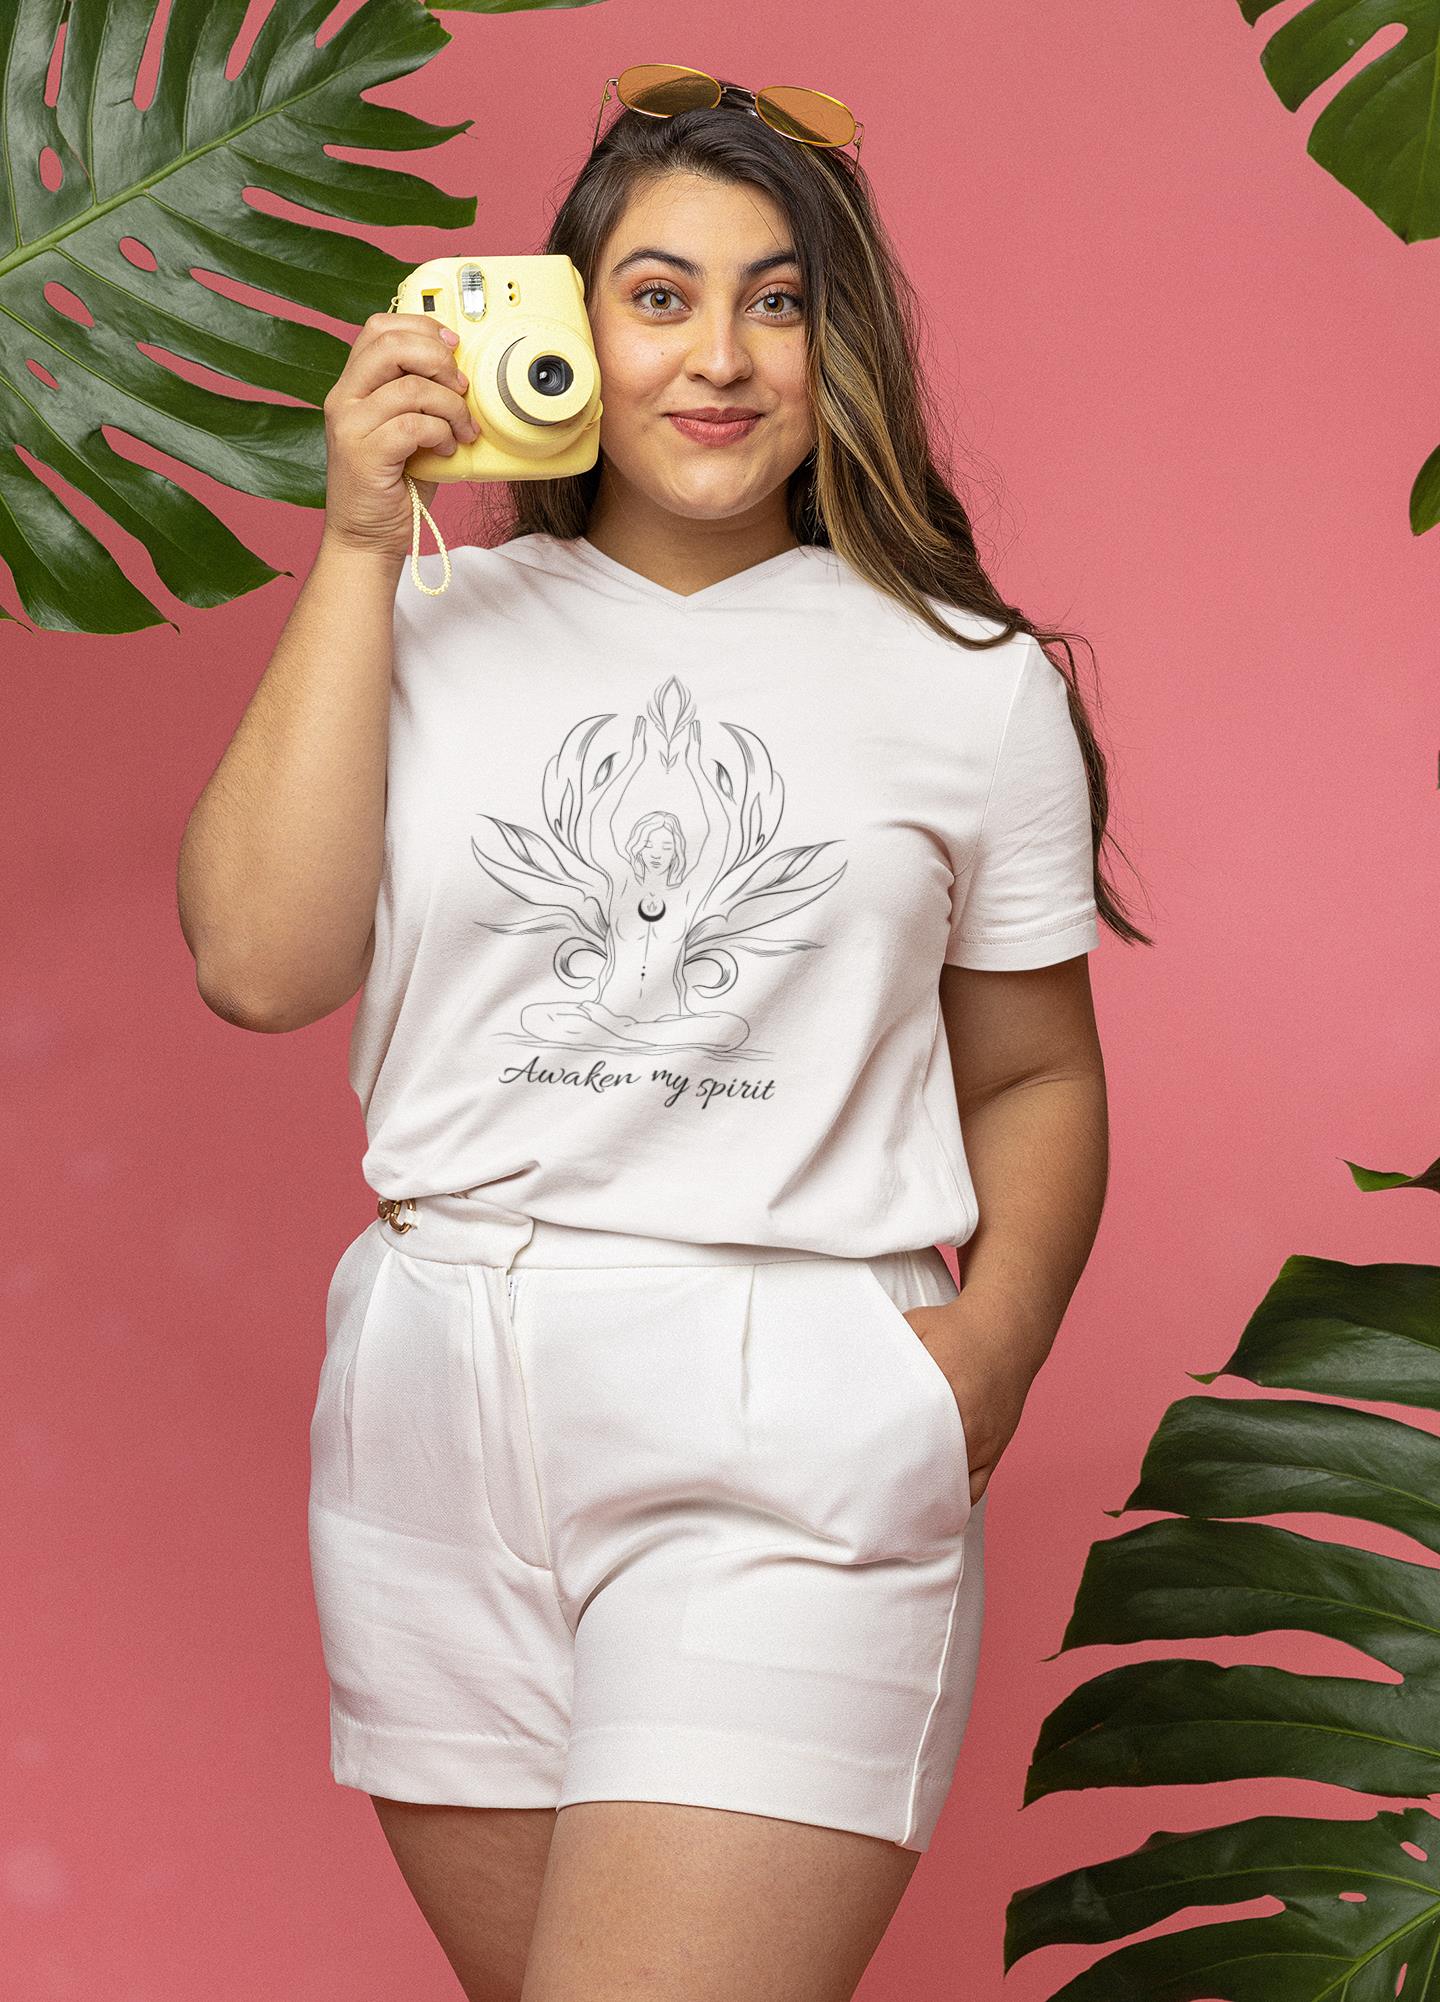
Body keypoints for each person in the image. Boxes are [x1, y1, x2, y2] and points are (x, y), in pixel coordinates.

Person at [177, 62, 1143, 2002]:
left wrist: (989, 1354)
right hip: (437, 1403)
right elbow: (257, 962)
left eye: (776, 300)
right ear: (562, 322)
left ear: (835, 342)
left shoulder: (965, 681)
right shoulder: (431, 620)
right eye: (660, 293)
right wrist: (361, 543)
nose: (720, 355)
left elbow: (1037, 1068)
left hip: (788, 1406)